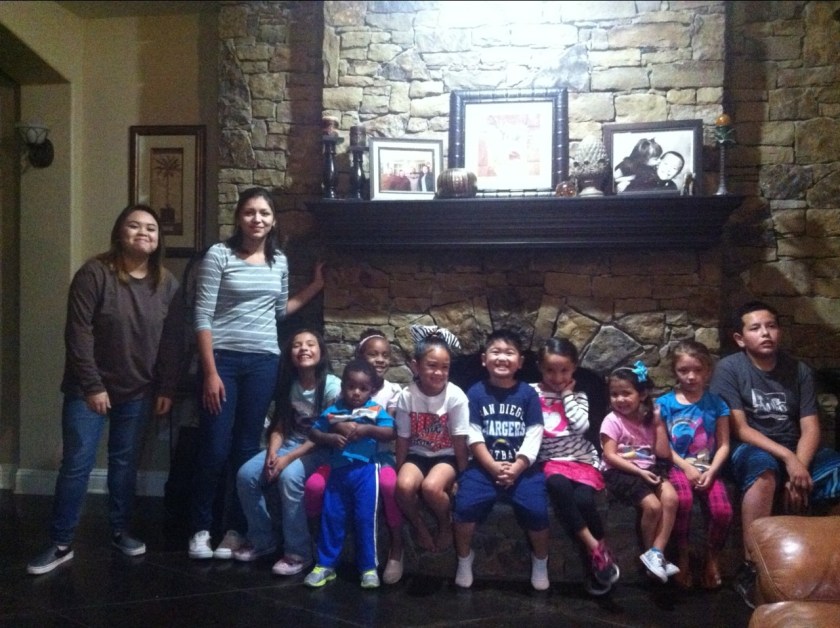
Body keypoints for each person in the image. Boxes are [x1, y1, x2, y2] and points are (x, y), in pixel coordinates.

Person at [27, 205, 183, 575]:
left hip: (140, 390)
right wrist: (93, 385)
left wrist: (167, 386)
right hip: (88, 390)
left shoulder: (167, 284)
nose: (143, 232)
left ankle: (119, 530)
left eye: (151, 228)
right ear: (119, 232)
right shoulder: (94, 273)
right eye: (134, 225)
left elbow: (173, 341)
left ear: (159, 239)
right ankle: (61, 542)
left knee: (124, 465)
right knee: (77, 464)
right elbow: (78, 333)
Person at [188, 187, 324, 560]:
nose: (257, 219)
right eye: (249, 212)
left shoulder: (278, 261)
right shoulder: (219, 255)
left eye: (264, 213)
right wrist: (210, 372)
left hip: (263, 362)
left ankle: (235, 530)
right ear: (238, 217)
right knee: (215, 447)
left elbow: (279, 311)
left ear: (273, 220)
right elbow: (202, 315)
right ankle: (201, 529)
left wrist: (315, 286)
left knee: (247, 449)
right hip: (223, 362)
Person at [710, 300, 840, 607]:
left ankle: (830, 562)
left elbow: (810, 426)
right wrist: (789, 459)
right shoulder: (730, 369)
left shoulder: (799, 370)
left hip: (795, 448)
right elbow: (741, 429)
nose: (765, 333)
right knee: (763, 470)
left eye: (771, 326)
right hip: (750, 447)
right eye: (755, 328)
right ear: (740, 338)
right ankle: (752, 568)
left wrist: (799, 467)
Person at [232, 329, 340, 571]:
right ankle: (262, 539)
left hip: (320, 448)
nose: (304, 349)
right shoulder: (289, 384)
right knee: (246, 475)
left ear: (321, 351)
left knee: (290, 477)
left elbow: (326, 433)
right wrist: (273, 453)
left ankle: (298, 552)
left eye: (310, 344)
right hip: (290, 444)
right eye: (297, 345)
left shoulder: (332, 387)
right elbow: (280, 426)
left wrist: (288, 459)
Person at [452, 329, 550, 591]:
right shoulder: (475, 393)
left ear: (520, 361)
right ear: (484, 359)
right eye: (496, 352)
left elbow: (535, 433)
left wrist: (518, 466)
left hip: (523, 468)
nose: (502, 358)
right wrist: (492, 466)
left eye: (509, 353)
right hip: (484, 467)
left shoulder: (528, 394)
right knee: (463, 507)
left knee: (538, 510)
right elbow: (473, 434)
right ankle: (464, 559)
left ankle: (541, 560)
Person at [303, 329, 405, 582]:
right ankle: (325, 564)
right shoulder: (334, 409)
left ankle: (368, 567)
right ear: (343, 387)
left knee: (365, 518)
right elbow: (315, 432)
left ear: (370, 391)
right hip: (337, 470)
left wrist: (368, 429)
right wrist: (330, 437)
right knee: (332, 516)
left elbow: (392, 431)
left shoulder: (375, 409)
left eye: (362, 389)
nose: (356, 393)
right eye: (351, 387)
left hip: (366, 471)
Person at [533, 338, 619, 596]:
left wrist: (567, 396)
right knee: (557, 485)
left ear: (574, 369)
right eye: (550, 370)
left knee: (583, 500)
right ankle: (597, 549)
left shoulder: (578, 395)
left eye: (564, 371)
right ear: (540, 368)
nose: (558, 377)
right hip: (550, 460)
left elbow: (581, 427)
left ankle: (596, 562)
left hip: (581, 459)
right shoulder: (531, 393)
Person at [657, 340, 732, 590]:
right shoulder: (665, 404)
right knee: (683, 501)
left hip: (708, 467)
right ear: (674, 371)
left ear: (707, 371)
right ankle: (683, 554)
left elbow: (724, 444)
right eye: (684, 370)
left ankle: (712, 555)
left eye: (697, 370)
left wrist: (712, 470)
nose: (691, 377)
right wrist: (686, 467)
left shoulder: (717, 404)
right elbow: (663, 446)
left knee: (722, 511)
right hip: (676, 465)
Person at [600, 362, 680, 584]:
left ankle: (657, 552)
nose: (620, 399)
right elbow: (610, 455)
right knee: (653, 507)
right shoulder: (612, 420)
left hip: (649, 467)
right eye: (614, 394)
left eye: (626, 393)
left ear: (642, 394)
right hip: (621, 471)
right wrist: (640, 472)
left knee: (671, 499)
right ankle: (649, 552)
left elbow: (662, 453)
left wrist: (658, 424)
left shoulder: (648, 419)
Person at [394, 325, 469, 562]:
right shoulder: (407, 395)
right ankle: (419, 526)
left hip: (446, 454)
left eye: (445, 367)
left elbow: (459, 440)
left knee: (431, 488)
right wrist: (399, 467)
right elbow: (403, 438)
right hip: (417, 453)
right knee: (403, 486)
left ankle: (445, 523)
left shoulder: (455, 396)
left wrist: (462, 477)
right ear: (416, 366)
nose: (438, 372)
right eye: (432, 366)